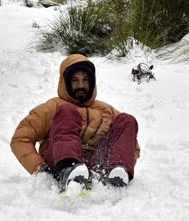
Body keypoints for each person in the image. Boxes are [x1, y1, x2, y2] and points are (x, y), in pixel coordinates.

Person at [10, 54, 140, 193]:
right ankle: (69, 169)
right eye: (74, 80)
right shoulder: (52, 107)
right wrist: (41, 169)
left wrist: (120, 162)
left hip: (97, 166)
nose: (81, 85)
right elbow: (20, 139)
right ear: (65, 82)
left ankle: (115, 175)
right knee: (67, 111)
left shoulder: (106, 110)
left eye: (85, 80)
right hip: (59, 161)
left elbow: (130, 144)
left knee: (127, 120)